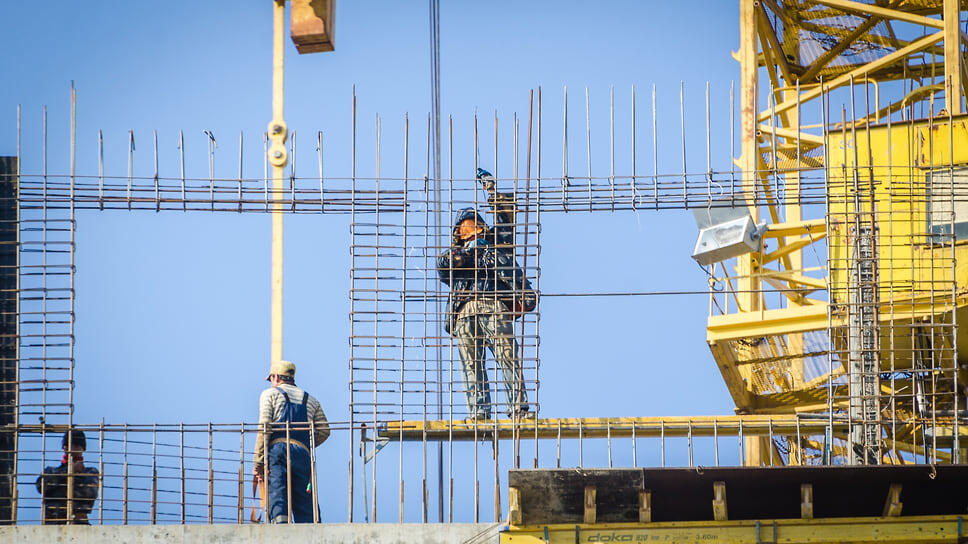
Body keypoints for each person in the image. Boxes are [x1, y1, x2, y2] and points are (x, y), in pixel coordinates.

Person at [437, 168, 537, 420]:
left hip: (494, 306)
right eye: (465, 228)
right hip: (465, 311)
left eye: (475, 226)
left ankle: (518, 408)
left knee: (507, 355)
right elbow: (443, 266)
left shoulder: (496, 249)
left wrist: (492, 191)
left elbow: (505, 219)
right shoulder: (456, 256)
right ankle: (479, 412)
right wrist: (464, 254)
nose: (470, 231)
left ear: (482, 229)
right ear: (459, 234)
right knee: (472, 364)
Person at [254, 360, 330, 523]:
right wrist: (304, 445)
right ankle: (310, 530)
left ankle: (280, 527)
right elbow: (324, 430)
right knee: (304, 496)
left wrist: (258, 462)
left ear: (275, 377)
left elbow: (264, 427)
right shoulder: (311, 400)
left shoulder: (270, 394)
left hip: (278, 450)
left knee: (278, 488)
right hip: (302, 454)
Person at [35, 429, 100, 525]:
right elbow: (41, 487)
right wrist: (70, 471)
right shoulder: (50, 471)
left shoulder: (90, 472)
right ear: (64, 447)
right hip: (52, 523)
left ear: (83, 448)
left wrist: (56, 488)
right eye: (69, 445)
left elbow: (88, 494)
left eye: (76, 445)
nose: (72, 449)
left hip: (78, 522)